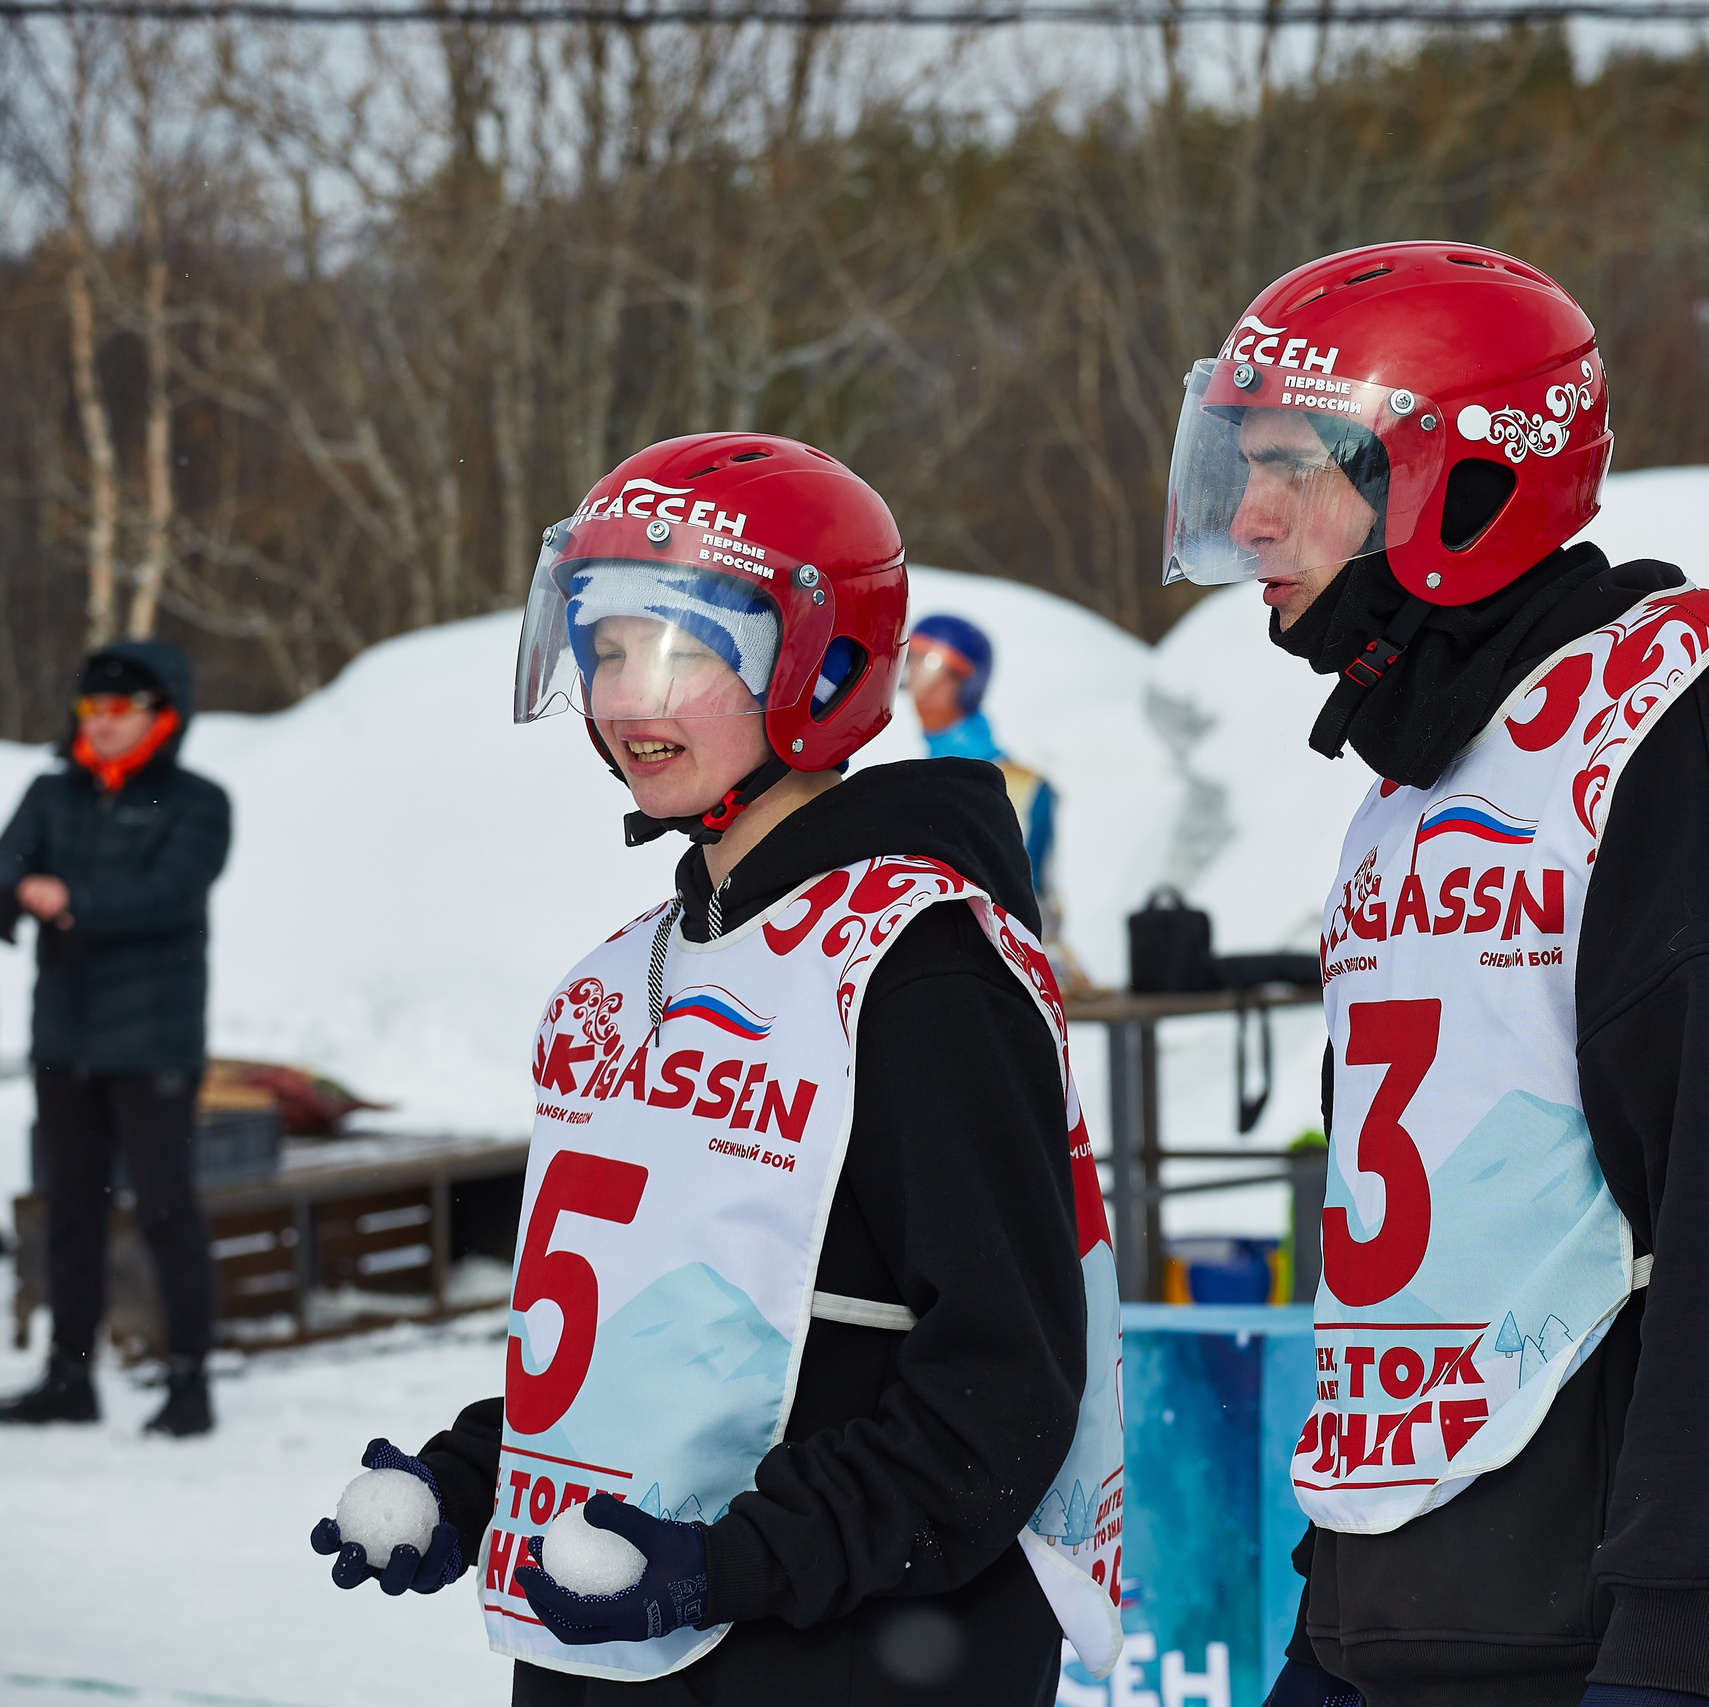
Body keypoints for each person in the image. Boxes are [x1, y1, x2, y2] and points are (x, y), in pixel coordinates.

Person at [1162, 244, 1709, 1707]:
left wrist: (1675, 1649)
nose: (1251, 513)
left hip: (1611, 1635)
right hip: (1404, 1619)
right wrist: (1330, 1624)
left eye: (1297, 465)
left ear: (1462, 479)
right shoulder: (1422, 770)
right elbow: (1442, 1261)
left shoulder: (1681, 735)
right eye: (1241, 461)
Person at [303, 435, 1124, 1704]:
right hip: (609, 1646)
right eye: (605, 645)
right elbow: (637, 1340)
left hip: (845, 1658)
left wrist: (732, 1564)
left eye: (683, 649)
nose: (629, 696)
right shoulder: (631, 970)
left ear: (823, 661)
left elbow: (999, 1396)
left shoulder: (917, 970)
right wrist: (469, 1482)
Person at [0, 641, 231, 1437]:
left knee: (167, 1209)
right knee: (70, 1208)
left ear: (160, 715)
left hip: (154, 1045)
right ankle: (70, 1375)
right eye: (91, 708)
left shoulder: (199, 801)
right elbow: (7, 864)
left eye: (119, 708)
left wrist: (68, 901)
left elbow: (166, 896)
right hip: (66, 1040)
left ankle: (190, 1380)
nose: (101, 723)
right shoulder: (51, 794)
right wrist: (18, 889)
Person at [904, 613, 1064, 940]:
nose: (912, 680)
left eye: (925, 662)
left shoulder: (1025, 788)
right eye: (910, 663)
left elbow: (1031, 906)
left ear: (965, 679)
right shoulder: (911, 781)